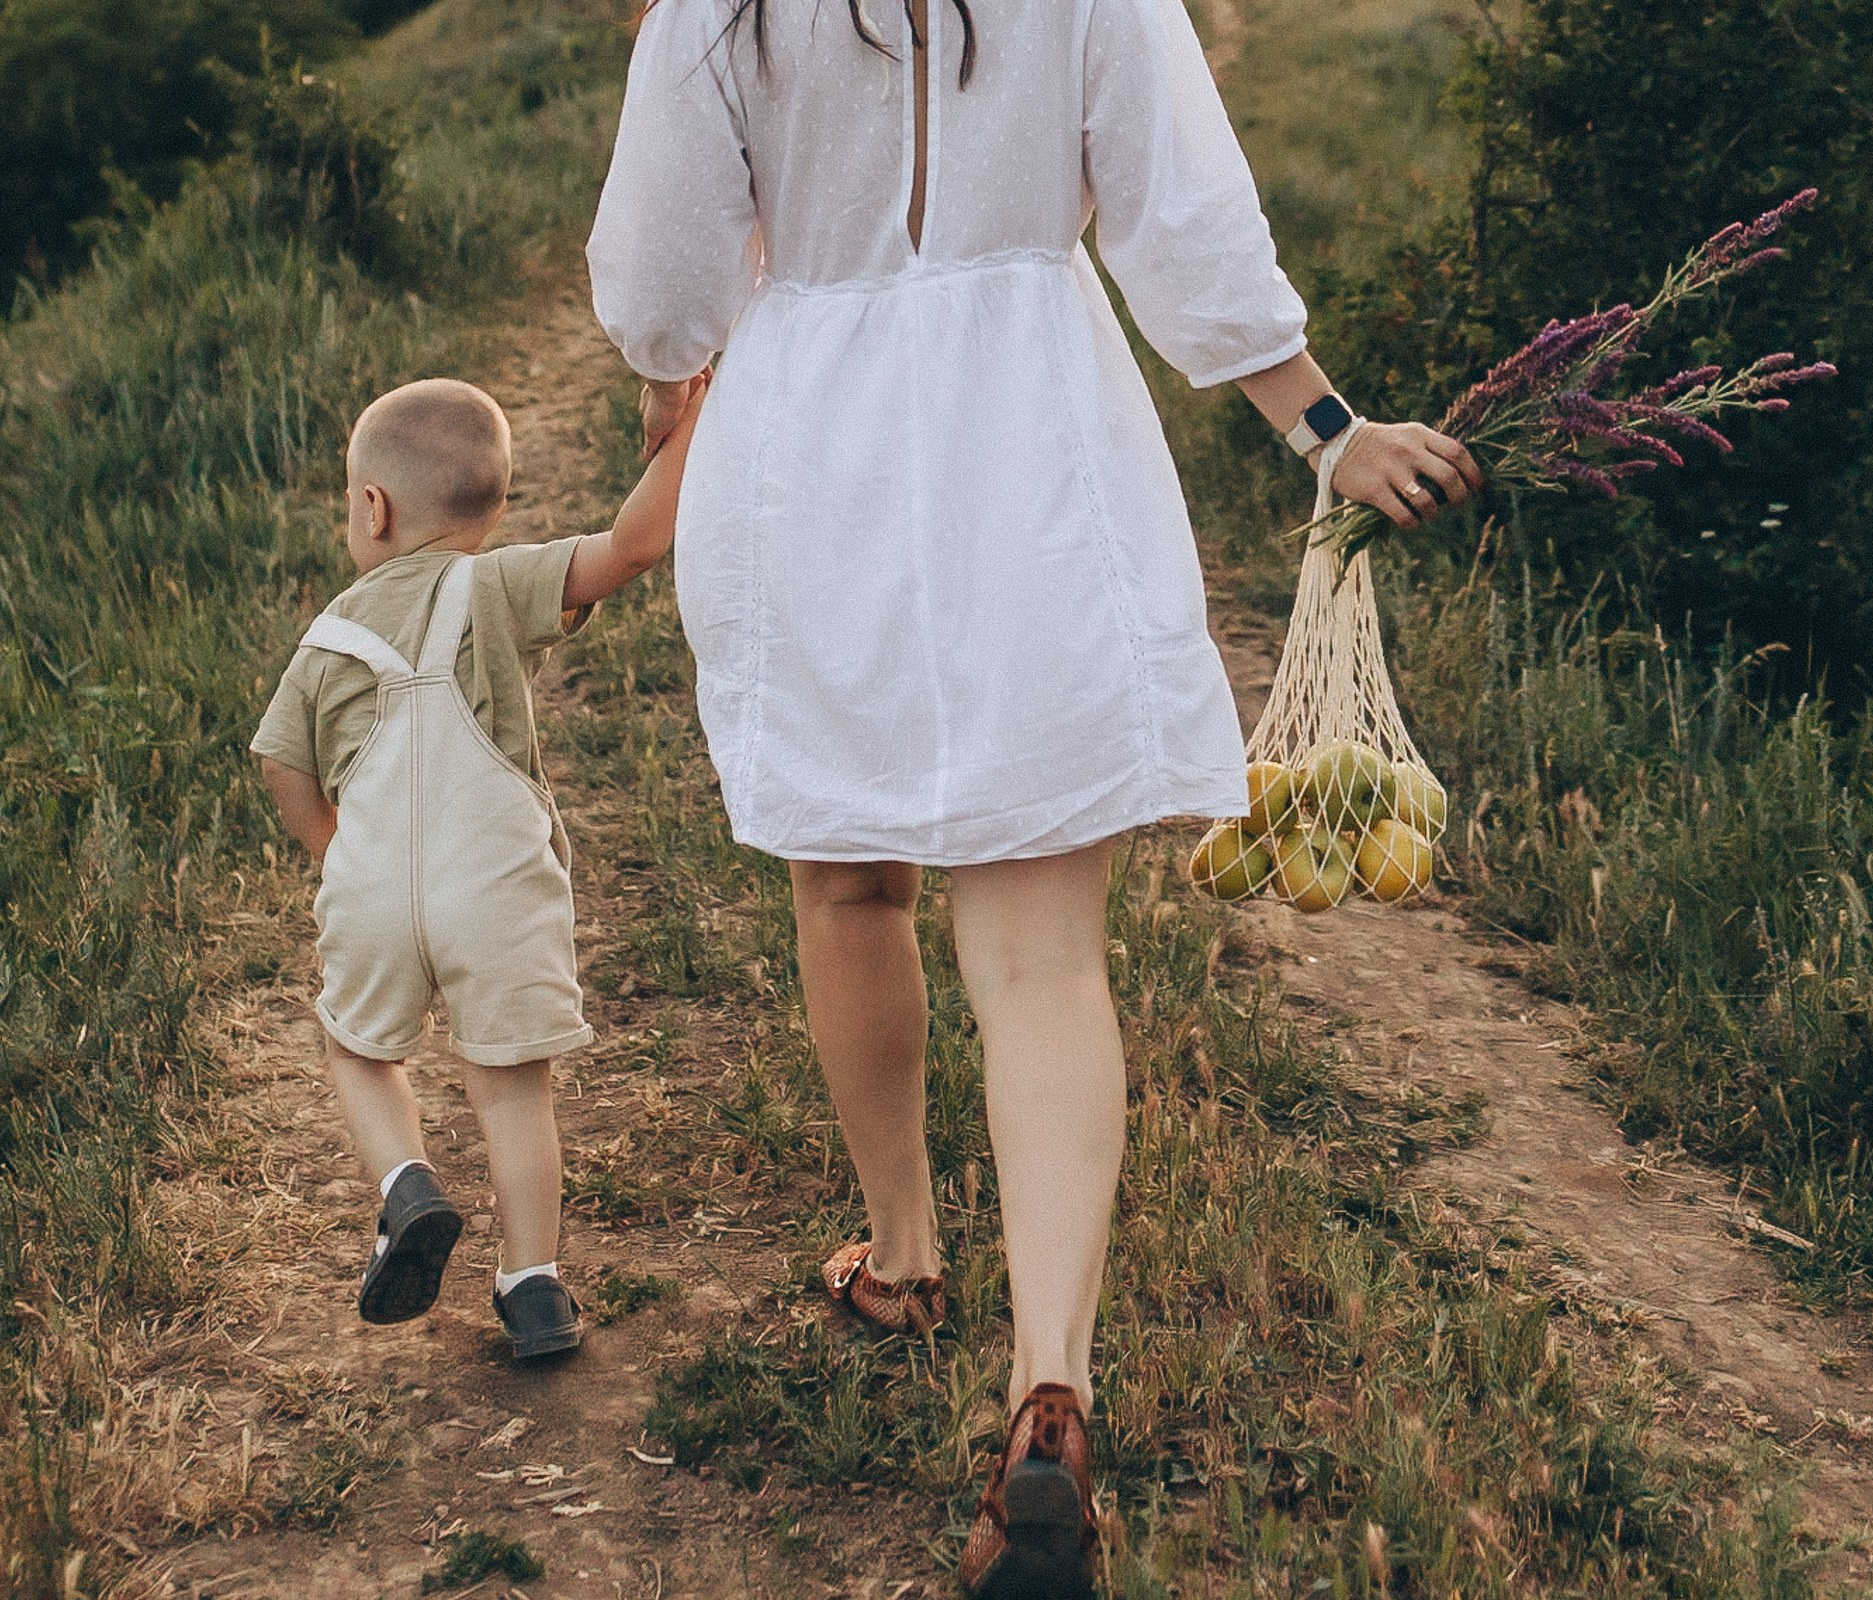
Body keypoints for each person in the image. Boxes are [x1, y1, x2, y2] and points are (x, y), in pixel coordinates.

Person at [587, 0, 1476, 1590]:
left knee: (851, 887)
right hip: (1038, 452)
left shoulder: (714, 10)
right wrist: (1330, 433)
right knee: (1047, 962)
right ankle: (1046, 1381)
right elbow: (1185, 226)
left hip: (812, 454)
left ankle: (907, 1258)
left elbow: (659, 304)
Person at [251, 375, 706, 1361]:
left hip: (371, 883)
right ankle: (533, 1285)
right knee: (511, 1087)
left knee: (360, 1047)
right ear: (492, 507)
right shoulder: (492, 588)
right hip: (491, 882)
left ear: (371, 507)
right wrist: (690, 426)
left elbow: (278, 760)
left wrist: (337, 854)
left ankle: (406, 1186)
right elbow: (631, 546)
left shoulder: (327, 637)